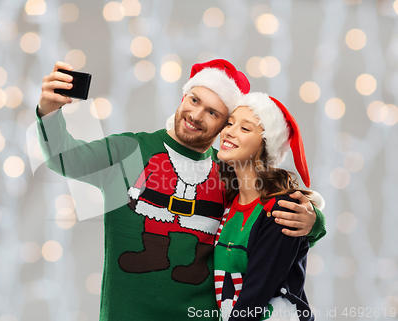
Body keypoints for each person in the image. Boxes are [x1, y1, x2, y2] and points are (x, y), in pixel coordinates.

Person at [36, 59, 326, 320]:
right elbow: (65, 158)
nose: (196, 115)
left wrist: (314, 221)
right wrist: (48, 112)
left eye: (212, 112)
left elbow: (267, 221)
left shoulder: (228, 173)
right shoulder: (129, 150)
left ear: (223, 126)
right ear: (184, 96)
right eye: (194, 100)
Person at [214, 92, 319, 321]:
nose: (229, 131)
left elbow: (256, 295)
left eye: (245, 128)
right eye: (230, 123)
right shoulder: (228, 202)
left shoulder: (282, 209)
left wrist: (316, 220)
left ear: (265, 146)